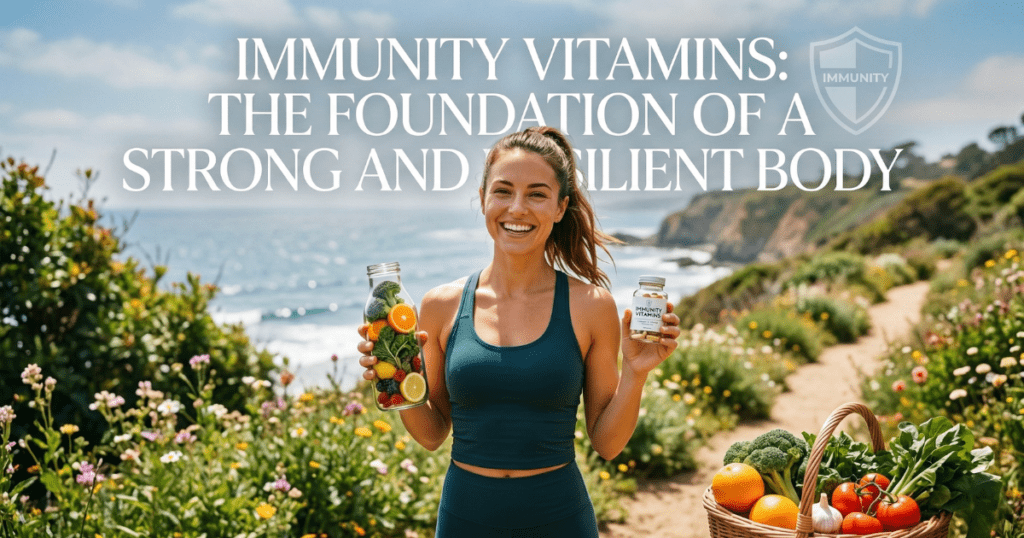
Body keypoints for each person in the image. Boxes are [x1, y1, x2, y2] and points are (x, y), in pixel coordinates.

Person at [356, 126, 680, 537]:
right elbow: (433, 434)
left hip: (560, 518)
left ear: (561, 207)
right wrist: (398, 380)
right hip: (464, 519)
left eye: (537, 194)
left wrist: (636, 372)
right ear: (483, 199)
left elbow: (607, 444)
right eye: (504, 191)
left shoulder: (591, 306)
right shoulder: (440, 305)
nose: (517, 208)